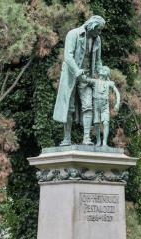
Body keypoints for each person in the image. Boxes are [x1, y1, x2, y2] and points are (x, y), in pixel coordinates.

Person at [53, 15, 106, 145]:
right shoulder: (73, 34)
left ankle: (86, 137)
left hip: (87, 77)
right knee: (69, 107)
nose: (99, 33)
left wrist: (103, 72)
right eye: (98, 29)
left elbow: (98, 61)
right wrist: (77, 71)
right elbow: (68, 56)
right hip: (71, 76)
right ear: (92, 26)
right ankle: (66, 138)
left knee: (88, 106)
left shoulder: (97, 39)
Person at [82, 66, 120, 146]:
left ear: (107, 74)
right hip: (96, 105)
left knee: (106, 122)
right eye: (102, 69)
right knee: (96, 123)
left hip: (105, 105)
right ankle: (98, 141)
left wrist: (117, 103)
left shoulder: (109, 83)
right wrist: (82, 73)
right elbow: (85, 79)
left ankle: (104, 142)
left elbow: (117, 92)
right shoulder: (95, 81)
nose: (102, 70)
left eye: (105, 70)